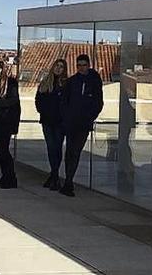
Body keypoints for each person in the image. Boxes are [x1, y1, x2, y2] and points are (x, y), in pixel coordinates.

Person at [59, 54, 104, 197]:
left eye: (84, 65)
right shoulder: (72, 81)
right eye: (79, 65)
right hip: (71, 122)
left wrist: (90, 116)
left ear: (89, 65)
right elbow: (64, 102)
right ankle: (68, 180)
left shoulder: (94, 81)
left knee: (76, 151)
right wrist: (66, 118)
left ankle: (69, 180)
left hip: (84, 123)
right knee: (69, 151)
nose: (81, 68)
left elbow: (98, 102)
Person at [35, 59, 68, 191]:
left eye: (61, 67)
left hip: (60, 122)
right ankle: (54, 175)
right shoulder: (45, 83)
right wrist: (43, 111)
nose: (59, 69)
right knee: (50, 147)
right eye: (57, 66)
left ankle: (54, 176)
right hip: (47, 121)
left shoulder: (66, 84)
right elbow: (38, 100)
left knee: (57, 148)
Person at [0, 61, 20, 189]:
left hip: (6, 121)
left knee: (4, 150)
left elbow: (12, 101)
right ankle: (5, 176)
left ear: (0, 70)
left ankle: (11, 177)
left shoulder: (11, 83)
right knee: (1, 151)